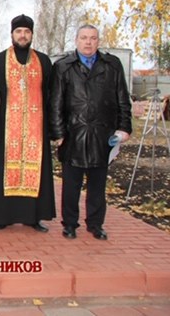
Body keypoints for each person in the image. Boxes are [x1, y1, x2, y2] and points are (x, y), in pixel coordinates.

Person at [49, 25, 132, 240]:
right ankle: (69, 224)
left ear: (98, 41)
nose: (88, 42)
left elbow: (122, 98)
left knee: (97, 185)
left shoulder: (111, 65)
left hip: (102, 135)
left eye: (93, 38)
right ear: (76, 40)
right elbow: (55, 102)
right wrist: (58, 133)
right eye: (84, 38)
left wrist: (124, 128)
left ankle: (95, 224)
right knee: (71, 186)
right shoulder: (63, 66)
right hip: (73, 135)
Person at [0, 14, 56, 231]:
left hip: (36, 130)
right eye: (18, 31)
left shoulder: (44, 61)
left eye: (27, 32)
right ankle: (3, 216)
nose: (23, 35)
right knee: (5, 171)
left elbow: (51, 96)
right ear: (12, 34)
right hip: (7, 129)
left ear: (32, 34)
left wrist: (53, 128)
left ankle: (33, 217)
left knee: (36, 171)